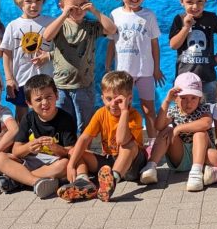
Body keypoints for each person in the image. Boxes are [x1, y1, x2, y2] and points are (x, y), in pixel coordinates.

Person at [59, 71, 151, 202]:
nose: (113, 103)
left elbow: (121, 140)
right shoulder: (101, 113)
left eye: (118, 100)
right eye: (109, 99)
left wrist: (124, 111)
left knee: (128, 145)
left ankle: (112, 180)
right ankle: (83, 182)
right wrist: (71, 165)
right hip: (110, 161)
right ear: (102, 98)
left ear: (129, 99)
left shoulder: (134, 115)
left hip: (132, 165)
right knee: (74, 151)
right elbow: (84, 139)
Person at [39, 0, 116, 135]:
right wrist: (64, 15)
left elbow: (111, 29)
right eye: (73, 6)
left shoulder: (90, 27)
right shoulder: (60, 26)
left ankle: (83, 147)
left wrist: (95, 11)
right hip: (61, 86)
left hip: (84, 86)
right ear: (62, 6)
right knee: (63, 123)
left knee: (85, 125)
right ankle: (67, 147)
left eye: (83, 5)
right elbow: (46, 36)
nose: (78, 9)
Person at [0, 74, 79, 199]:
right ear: (29, 103)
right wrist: (29, 147)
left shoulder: (66, 119)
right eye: (38, 99)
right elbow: (16, 151)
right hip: (31, 160)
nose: (45, 102)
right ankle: (35, 182)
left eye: (49, 97)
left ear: (57, 96)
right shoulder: (28, 118)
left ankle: (17, 180)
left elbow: (70, 152)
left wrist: (55, 148)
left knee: (65, 164)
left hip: (53, 162)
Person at [106, 0, 163, 137]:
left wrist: (156, 69)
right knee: (122, 109)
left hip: (145, 72)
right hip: (123, 74)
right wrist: (108, 66)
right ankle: (122, 141)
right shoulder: (115, 15)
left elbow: (155, 44)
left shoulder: (149, 15)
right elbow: (111, 43)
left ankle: (153, 143)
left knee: (149, 110)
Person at [144, 72, 214, 192]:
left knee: (200, 133)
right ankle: (151, 166)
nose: (189, 103)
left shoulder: (203, 108)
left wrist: (179, 128)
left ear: (200, 98)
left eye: (193, 98)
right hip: (180, 157)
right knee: (166, 130)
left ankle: (196, 173)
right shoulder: (174, 111)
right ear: (175, 98)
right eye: (183, 98)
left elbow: (206, 123)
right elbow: (158, 126)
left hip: (202, 156)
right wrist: (166, 101)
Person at [1, 0, 55, 122]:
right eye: (28, 1)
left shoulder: (51, 22)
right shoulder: (13, 26)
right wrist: (9, 79)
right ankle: (22, 135)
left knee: (46, 112)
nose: (34, 5)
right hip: (21, 79)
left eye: (38, 1)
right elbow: (7, 54)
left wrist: (48, 56)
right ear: (19, 3)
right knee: (22, 115)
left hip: (46, 79)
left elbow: (61, 50)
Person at [168, 0, 217, 104]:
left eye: (200, 1)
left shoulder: (211, 18)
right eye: (190, 2)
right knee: (184, 110)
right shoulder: (179, 19)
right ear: (181, 1)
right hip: (184, 78)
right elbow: (173, 45)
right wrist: (186, 27)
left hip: (208, 77)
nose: (195, 6)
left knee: (209, 109)